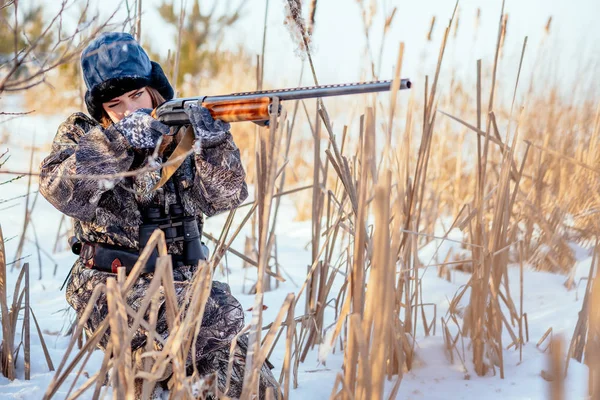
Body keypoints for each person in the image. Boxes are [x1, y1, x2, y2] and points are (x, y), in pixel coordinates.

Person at [39, 32, 279, 399]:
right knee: (208, 321)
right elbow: (60, 190)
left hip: (188, 286)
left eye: (137, 95)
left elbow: (225, 196)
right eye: (115, 104)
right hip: (115, 287)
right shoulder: (83, 134)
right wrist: (119, 142)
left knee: (252, 385)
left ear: (153, 89)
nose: (128, 110)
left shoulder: (181, 132)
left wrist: (213, 144)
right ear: (101, 109)